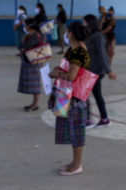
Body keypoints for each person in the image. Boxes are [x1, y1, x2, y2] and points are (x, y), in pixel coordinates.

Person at [49, 22, 90, 176]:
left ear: (71, 33)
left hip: (75, 97)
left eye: (67, 31)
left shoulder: (80, 52)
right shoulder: (72, 50)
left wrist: (56, 74)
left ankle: (78, 164)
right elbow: (65, 68)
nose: (65, 34)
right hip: (67, 94)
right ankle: (74, 162)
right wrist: (57, 70)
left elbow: (71, 76)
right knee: (71, 129)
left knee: (76, 130)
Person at [83, 14, 117, 128]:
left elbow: (103, 54)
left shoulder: (97, 36)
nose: (83, 23)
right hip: (90, 69)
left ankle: (88, 119)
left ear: (89, 23)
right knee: (97, 95)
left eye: (85, 22)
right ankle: (104, 118)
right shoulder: (90, 35)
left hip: (94, 71)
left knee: (83, 94)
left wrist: (108, 71)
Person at [17, 18, 44, 112]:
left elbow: (26, 47)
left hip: (33, 63)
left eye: (25, 25)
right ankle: (33, 103)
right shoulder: (30, 35)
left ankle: (35, 104)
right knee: (33, 84)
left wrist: (24, 43)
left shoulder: (35, 36)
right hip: (30, 62)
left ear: (29, 26)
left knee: (35, 84)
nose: (24, 26)